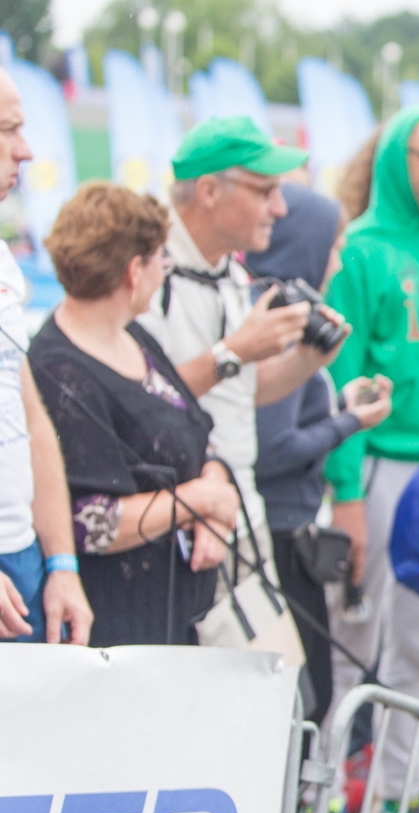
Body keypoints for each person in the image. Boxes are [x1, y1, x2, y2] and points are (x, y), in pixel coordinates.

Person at [323, 105, 419, 813]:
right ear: (393, 161)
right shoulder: (357, 250)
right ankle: (322, 801)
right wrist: (346, 495)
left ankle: (397, 795)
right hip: (377, 465)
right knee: (354, 639)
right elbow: (339, 383)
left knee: (418, 643)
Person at [139, 116, 341, 593]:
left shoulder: (230, 270)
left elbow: (240, 393)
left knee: (275, 666)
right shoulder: (146, 268)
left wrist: (307, 360)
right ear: (209, 191)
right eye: (265, 191)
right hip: (182, 525)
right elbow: (135, 400)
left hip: (241, 508)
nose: (280, 209)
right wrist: (236, 351)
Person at [30, 183, 238, 646]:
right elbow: (90, 521)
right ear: (133, 270)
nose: (164, 271)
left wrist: (216, 502)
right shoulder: (60, 371)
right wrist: (199, 501)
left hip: (179, 609)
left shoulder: (137, 338)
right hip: (120, 625)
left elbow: (201, 436)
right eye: (160, 259)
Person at [250, 184, 391, 732]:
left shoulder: (279, 310)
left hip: (290, 525)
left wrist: (338, 404)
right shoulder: (282, 322)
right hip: (282, 533)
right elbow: (274, 447)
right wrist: (348, 422)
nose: (337, 261)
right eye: (331, 246)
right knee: (306, 696)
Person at [0, 63, 92, 645]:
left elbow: (30, 420)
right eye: (7, 129)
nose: (26, 151)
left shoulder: (5, 263)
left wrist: (60, 563)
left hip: (23, 561)